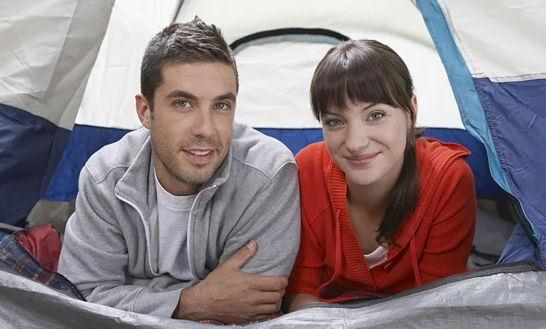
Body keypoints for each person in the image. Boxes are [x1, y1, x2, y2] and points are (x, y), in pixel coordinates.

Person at [58, 17, 301, 324]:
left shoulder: (268, 174)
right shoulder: (106, 176)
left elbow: (250, 307)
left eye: (221, 106)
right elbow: (79, 299)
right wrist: (193, 302)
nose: (206, 129)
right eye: (184, 103)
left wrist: (131, 293)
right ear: (146, 112)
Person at [284, 39, 476, 312]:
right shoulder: (309, 170)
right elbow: (301, 295)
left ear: (410, 112)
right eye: (335, 122)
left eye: (375, 115)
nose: (355, 142)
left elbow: (437, 310)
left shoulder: (448, 178)